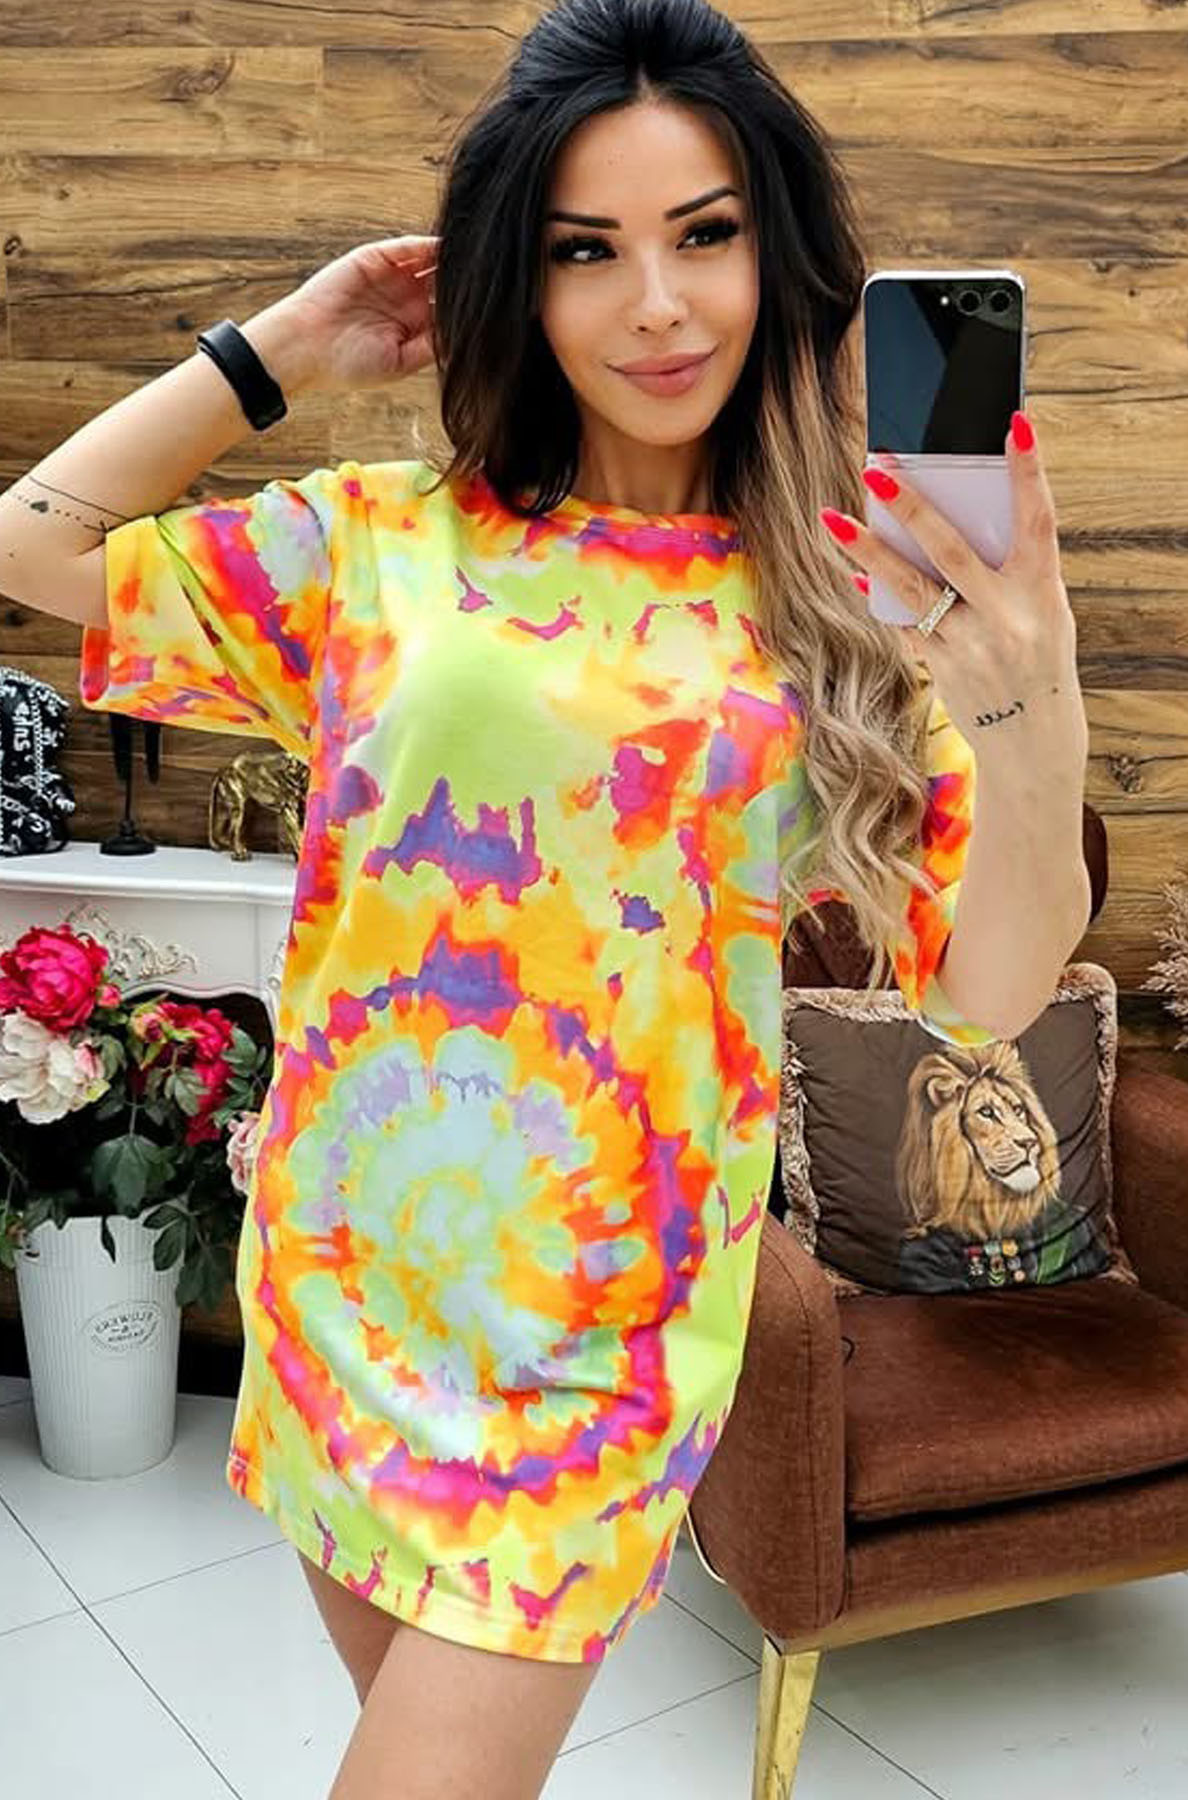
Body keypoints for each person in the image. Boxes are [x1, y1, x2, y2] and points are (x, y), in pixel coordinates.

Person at [0, 1, 1091, 1793]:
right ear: (525, 277)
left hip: (600, 1350)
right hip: (343, 1283)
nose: (656, 305)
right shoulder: (383, 540)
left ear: (778, 256)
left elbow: (989, 991)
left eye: (705, 234)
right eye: (587, 250)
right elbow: (32, 541)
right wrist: (284, 347)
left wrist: (1035, 704)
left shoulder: (848, 609)